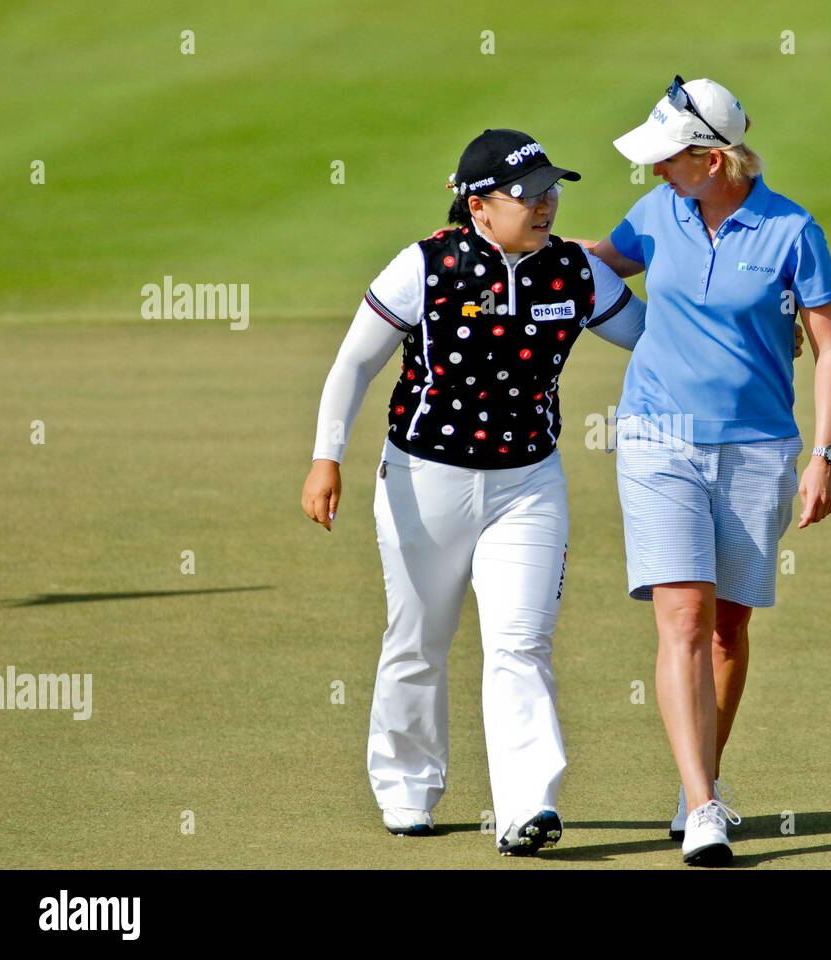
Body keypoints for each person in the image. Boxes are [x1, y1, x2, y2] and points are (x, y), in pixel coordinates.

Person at [300, 128, 646, 856]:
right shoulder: (426, 265)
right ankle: (406, 789)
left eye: (553, 189)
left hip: (529, 484)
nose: (548, 204)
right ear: (479, 205)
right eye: (531, 194)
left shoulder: (576, 273)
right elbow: (352, 365)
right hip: (425, 478)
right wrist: (325, 459)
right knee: (418, 640)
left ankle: (527, 806)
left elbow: (653, 337)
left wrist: (750, 327)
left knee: (522, 644)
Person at [589, 76, 831, 866]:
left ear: (711, 157)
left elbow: (829, 346)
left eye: (669, 157)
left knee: (729, 626)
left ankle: (696, 778)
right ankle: (704, 805)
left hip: (759, 448)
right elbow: (606, 259)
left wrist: (823, 456)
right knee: (684, 619)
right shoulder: (656, 212)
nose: (657, 169)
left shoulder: (792, 229)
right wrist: (530, 246)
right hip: (656, 437)